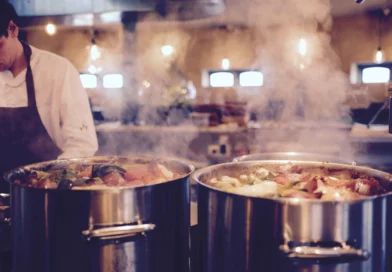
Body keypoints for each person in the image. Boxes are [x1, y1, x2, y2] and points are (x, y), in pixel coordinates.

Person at [0, 1, 98, 192]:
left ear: (12, 29)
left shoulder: (57, 71)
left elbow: (83, 146)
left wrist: (53, 182)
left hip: (46, 198)